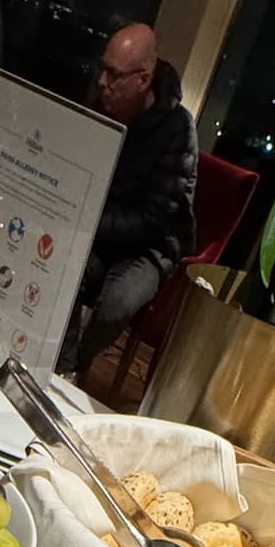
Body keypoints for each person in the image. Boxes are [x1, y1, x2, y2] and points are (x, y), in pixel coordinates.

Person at [59, 22, 198, 377]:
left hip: (150, 245)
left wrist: (87, 222)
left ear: (143, 79)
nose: (103, 82)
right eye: (102, 68)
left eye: (114, 75)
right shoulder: (98, 107)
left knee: (118, 304)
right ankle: (63, 365)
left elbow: (157, 219)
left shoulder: (178, 129)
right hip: (101, 230)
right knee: (59, 265)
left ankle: (79, 364)